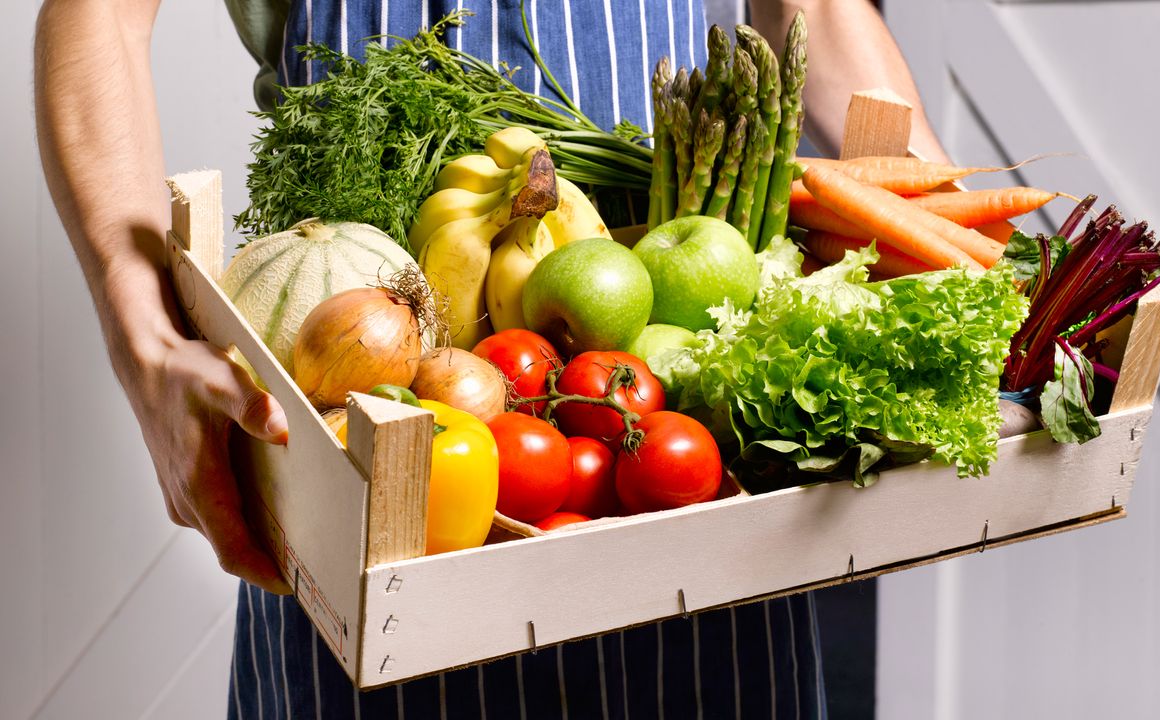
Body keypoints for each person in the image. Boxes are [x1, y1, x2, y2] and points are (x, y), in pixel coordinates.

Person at [33, 0, 945, 717]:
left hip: (660, 455)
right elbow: (99, 11)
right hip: (359, 450)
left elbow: (816, 6)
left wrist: (939, 226)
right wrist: (140, 337)